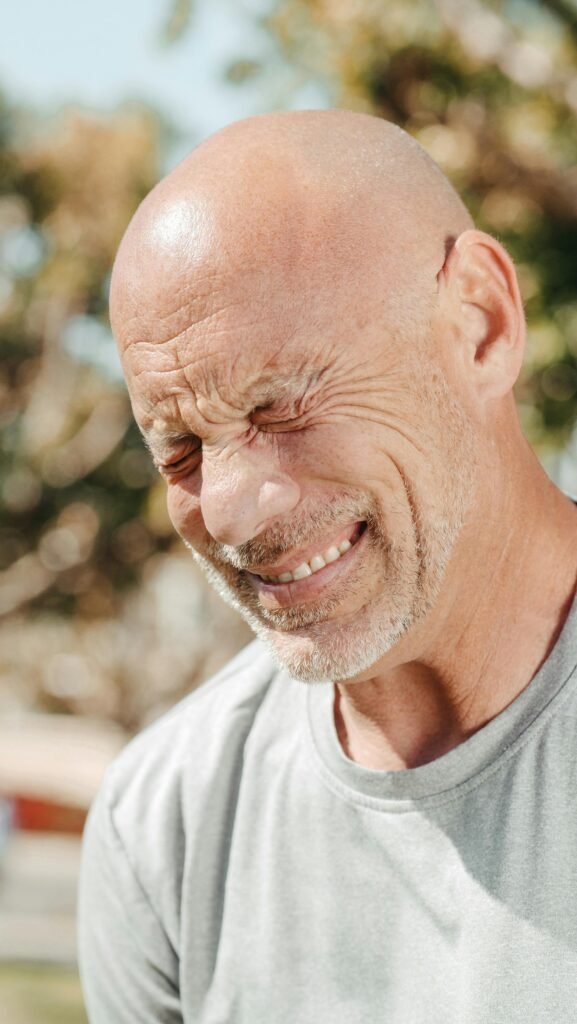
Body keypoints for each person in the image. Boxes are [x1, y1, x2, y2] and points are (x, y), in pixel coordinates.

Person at [78, 110, 577, 1023]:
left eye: (277, 404)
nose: (226, 509)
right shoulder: (165, 825)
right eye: (180, 447)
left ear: (479, 325)